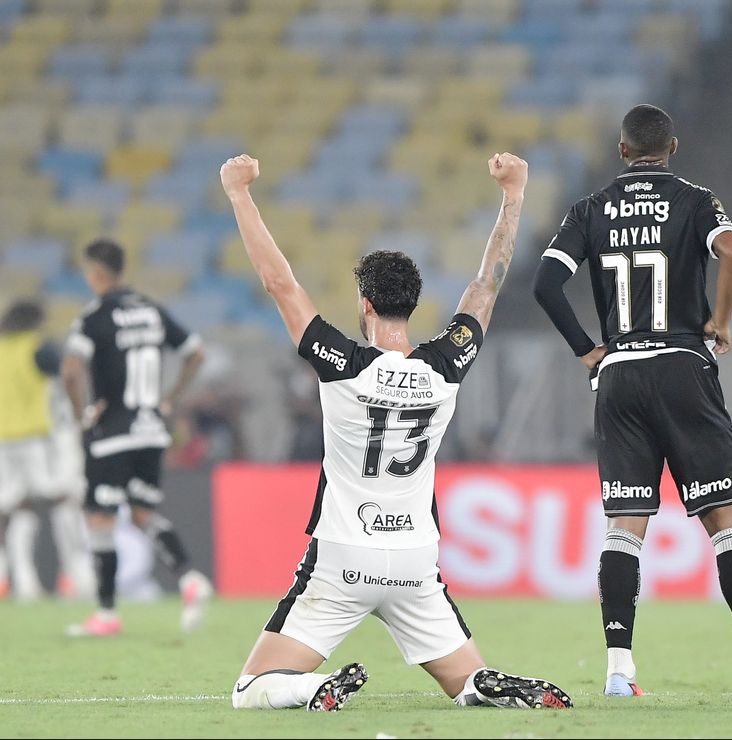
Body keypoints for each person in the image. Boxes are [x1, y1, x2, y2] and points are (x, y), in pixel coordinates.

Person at [220, 152, 572, 712]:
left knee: (251, 692)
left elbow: (279, 283)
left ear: (365, 304)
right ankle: (481, 685)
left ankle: (314, 687)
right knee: (464, 683)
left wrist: (240, 194)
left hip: (343, 557)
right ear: (414, 305)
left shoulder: (342, 365)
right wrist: (514, 194)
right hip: (413, 559)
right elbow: (487, 282)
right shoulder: (446, 367)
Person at [532, 104, 732, 696]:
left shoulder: (589, 209)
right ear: (673, 147)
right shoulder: (694, 199)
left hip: (621, 373)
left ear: (621, 152)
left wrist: (589, 351)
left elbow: (545, 283)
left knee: (624, 527)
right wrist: (720, 320)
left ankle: (618, 672)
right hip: (684, 365)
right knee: (724, 521)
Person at [62, 239, 214, 636]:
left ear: (94, 273)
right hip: (150, 431)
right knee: (143, 513)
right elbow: (196, 353)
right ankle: (188, 578)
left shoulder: (94, 316)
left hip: (111, 432)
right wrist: (168, 400)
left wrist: (82, 414)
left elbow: (71, 371)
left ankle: (107, 614)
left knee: (100, 518)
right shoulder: (152, 310)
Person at [0, 300, 90, 602]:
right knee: (61, 496)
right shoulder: (36, 347)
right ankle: (76, 574)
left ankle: (1, 579)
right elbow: (68, 372)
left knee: (8, 505)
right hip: (32, 435)